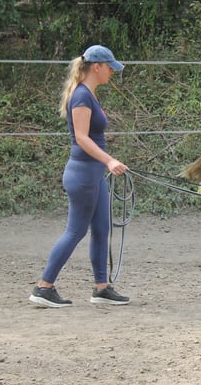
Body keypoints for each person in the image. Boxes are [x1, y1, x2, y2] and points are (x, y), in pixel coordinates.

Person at [29, 45, 130, 307]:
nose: (111, 72)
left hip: (92, 173)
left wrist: (106, 163)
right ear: (96, 67)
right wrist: (109, 160)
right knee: (75, 231)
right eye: (109, 67)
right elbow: (82, 138)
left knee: (100, 229)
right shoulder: (83, 96)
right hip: (84, 173)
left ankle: (101, 287)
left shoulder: (89, 94)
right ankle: (44, 286)